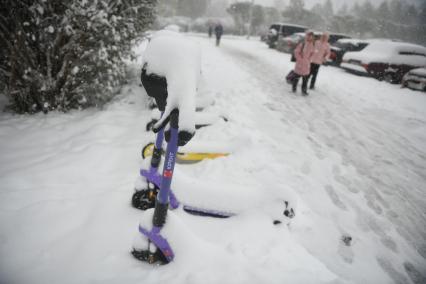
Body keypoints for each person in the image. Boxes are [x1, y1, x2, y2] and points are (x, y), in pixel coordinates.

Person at [292, 31, 315, 95]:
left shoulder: (312, 45)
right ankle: (294, 88)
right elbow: (296, 52)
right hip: (300, 64)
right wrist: (300, 59)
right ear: (307, 36)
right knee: (296, 77)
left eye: (312, 37)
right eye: (309, 36)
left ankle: (304, 91)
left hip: (306, 64)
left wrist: (309, 60)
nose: (310, 38)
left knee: (305, 79)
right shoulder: (302, 44)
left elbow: (312, 53)